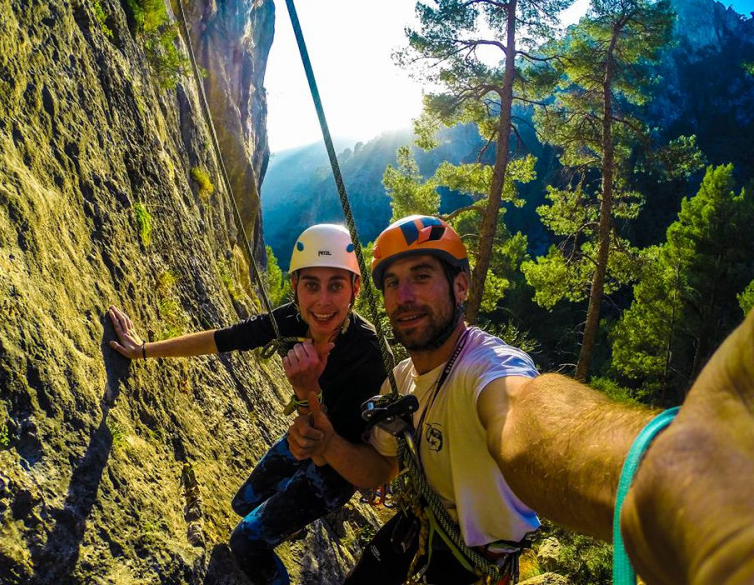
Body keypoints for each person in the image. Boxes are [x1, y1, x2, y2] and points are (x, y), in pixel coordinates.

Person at [287, 215, 754, 585]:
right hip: (419, 525)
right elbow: (379, 470)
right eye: (392, 283)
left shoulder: (486, 368)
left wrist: (669, 475)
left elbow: (525, 417)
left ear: (461, 286)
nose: (404, 296)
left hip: (475, 563)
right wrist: (327, 441)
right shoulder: (401, 380)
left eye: (422, 275)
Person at [108, 224, 387, 585]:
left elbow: (325, 452)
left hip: (336, 468)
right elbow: (222, 339)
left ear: (355, 289)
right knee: (243, 504)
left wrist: (307, 391)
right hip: (303, 438)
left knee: (246, 542)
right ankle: (288, 523)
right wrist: (143, 350)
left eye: (336, 285)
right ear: (295, 287)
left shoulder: (367, 357)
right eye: (311, 285)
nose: (322, 301)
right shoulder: (292, 319)